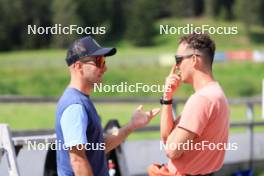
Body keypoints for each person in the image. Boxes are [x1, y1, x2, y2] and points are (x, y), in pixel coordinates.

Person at [55, 36, 160, 176]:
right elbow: (77, 160)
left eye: (104, 61)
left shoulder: (81, 100)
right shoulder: (75, 105)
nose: (105, 68)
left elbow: (99, 147)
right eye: (99, 61)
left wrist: (131, 125)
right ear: (79, 66)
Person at [148, 33, 229, 176]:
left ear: (193, 60)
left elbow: (171, 150)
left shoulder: (201, 99)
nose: (176, 66)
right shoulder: (217, 94)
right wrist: (167, 98)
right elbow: (168, 139)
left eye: (178, 59)